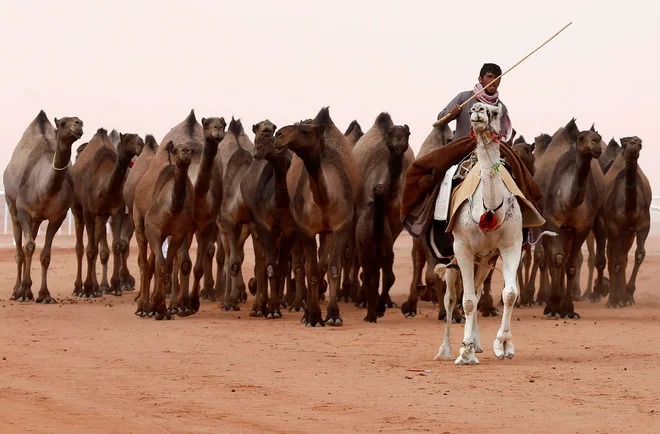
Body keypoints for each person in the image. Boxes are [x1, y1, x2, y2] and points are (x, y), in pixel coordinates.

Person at [437, 63, 512, 142]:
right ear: (480, 79)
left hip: (487, 152)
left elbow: (501, 137)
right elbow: (440, 118)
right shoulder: (464, 97)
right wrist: (452, 113)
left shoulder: (501, 108)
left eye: (497, 78)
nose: (493, 81)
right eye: (489, 76)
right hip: (460, 150)